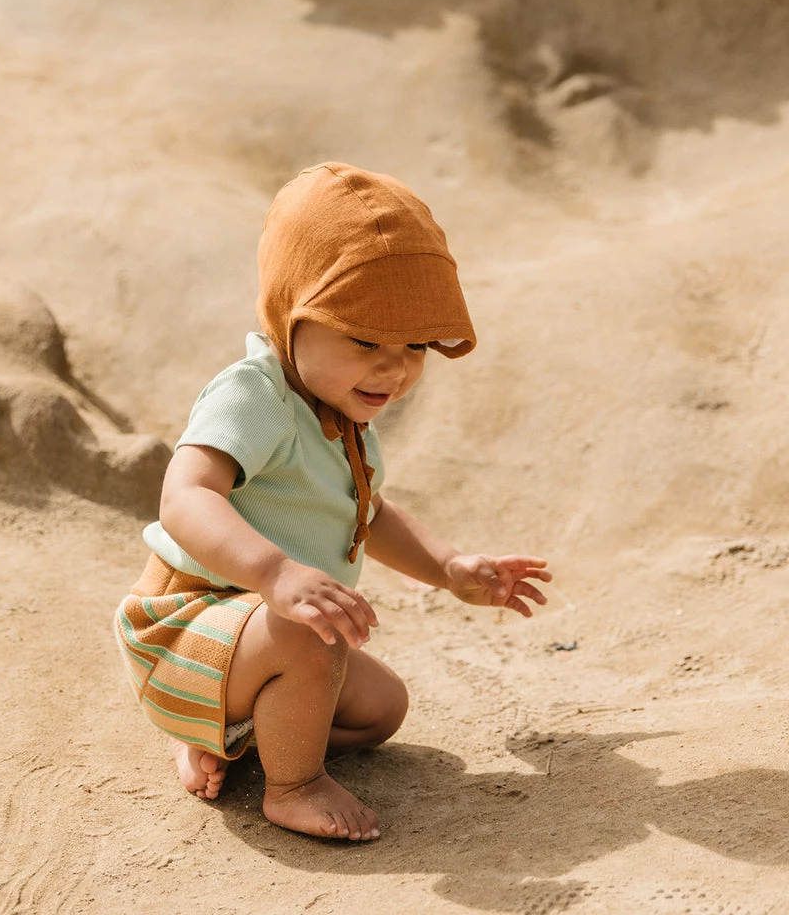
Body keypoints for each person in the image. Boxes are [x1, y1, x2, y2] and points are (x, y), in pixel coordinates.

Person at [114, 162, 551, 842]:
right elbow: (185, 495)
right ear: (292, 316)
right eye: (365, 340)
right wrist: (273, 572)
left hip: (249, 644)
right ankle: (292, 786)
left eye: (413, 346)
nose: (393, 366)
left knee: (380, 709)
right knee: (307, 639)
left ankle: (225, 738)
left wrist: (449, 567)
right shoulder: (256, 396)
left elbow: (367, 514)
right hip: (181, 630)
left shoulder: (344, 422)